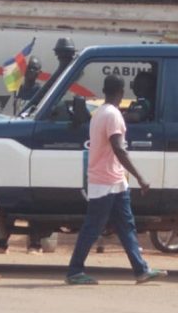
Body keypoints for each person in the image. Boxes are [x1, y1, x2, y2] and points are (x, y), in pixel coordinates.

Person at [65, 75, 167, 285]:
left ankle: (141, 269)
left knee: (126, 225)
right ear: (121, 92)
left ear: (105, 90)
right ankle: (74, 271)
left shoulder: (100, 113)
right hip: (105, 181)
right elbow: (119, 148)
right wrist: (141, 176)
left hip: (114, 180)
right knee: (93, 227)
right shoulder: (113, 115)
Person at [19, 37, 77, 114]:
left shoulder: (41, 91)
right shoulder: (20, 89)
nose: (31, 71)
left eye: (34, 68)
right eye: (29, 67)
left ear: (39, 73)